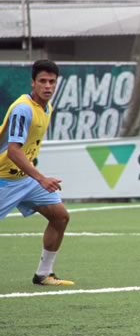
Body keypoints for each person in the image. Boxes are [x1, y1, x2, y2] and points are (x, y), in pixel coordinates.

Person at [0, 59, 74, 286]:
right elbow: (13, 151)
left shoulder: (47, 107)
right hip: (3, 179)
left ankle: (43, 274)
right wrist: (41, 178)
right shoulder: (23, 109)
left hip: (24, 180)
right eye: (42, 81)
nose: (48, 86)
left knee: (60, 216)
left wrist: (35, 179)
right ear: (33, 83)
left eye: (52, 81)